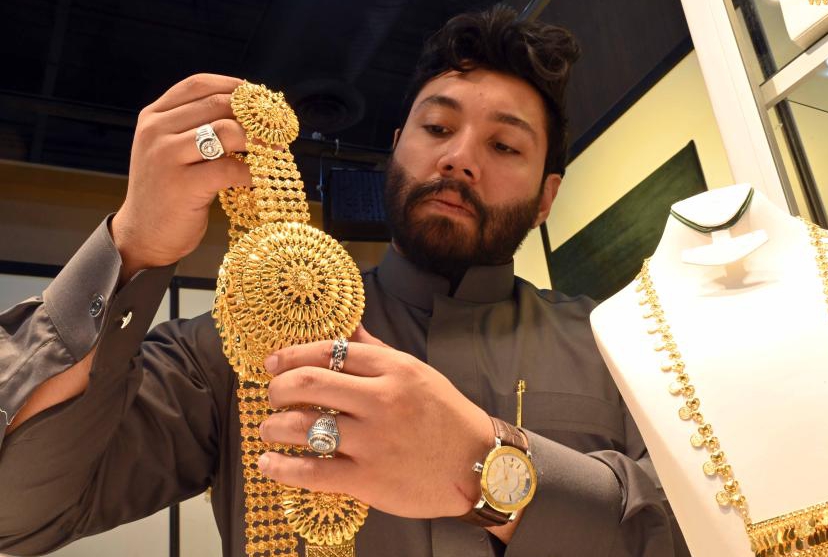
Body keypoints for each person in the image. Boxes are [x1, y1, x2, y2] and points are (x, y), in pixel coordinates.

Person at [0, 6, 688, 556]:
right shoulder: (238, 347)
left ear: (546, 197)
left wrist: (487, 468)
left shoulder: (623, 348)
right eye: (436, 126)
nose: (458, 158)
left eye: (504, 145)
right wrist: (133, 246)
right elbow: (19, 512)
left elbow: (705, 533)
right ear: (396, 148)